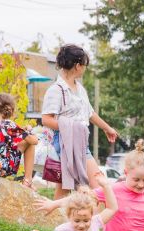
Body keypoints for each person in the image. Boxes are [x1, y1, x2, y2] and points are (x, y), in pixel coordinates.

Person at [41, 44, 118, 199]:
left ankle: (62, 221)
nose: (85, 69)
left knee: (68, 189)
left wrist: (107, 128)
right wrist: (72, 128)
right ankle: (92, 221)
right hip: (64, 142)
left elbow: (89, 113)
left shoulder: (80, 89)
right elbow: (46, 119)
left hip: (80, 141)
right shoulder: (56, 90)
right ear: (77, 66)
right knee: (95, 185)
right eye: (84, 65)